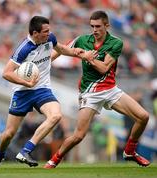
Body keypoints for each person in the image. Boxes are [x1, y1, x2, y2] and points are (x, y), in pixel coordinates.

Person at [44, 10, 150, 169]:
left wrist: (88, 57)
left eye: (98, 26)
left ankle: (129, 151)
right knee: (79, 135)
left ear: (106, 25)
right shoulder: (82, 40)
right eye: (92, 26)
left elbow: (104, 68)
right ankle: (54, 160)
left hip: (110, 90)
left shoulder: (116, 43)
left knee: (143, 117)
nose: (94, 30)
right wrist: (45, 62)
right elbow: (63, 49)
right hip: (90, 93)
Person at [0, 16, 96, 169]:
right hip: (22, 92)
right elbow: (6, 73)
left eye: (48, 30)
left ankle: (26, 151)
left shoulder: (50, 38)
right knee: (9, 133)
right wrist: (27, 82)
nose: (49, 33)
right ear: (35, 33)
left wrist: (80, 53)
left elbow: (61, 49)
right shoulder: (24, 48)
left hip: (42, 89)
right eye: (45, 31)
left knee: (56, 115)